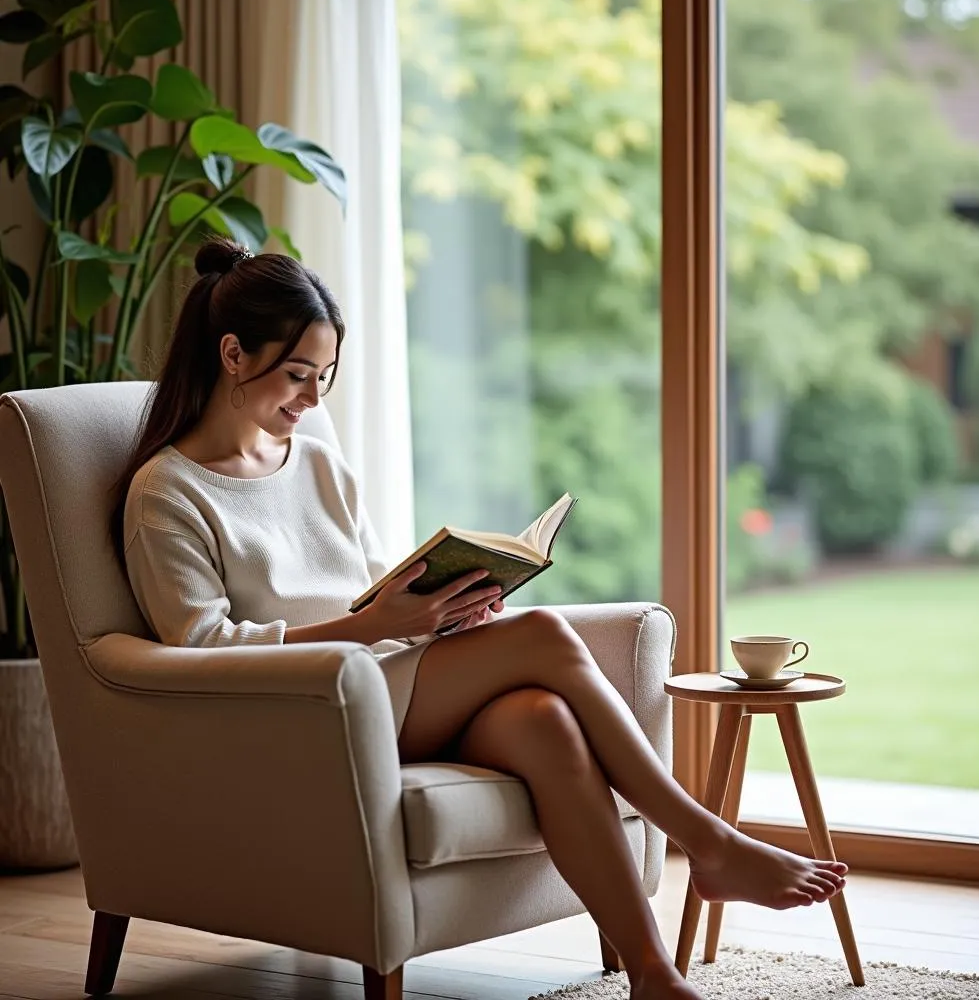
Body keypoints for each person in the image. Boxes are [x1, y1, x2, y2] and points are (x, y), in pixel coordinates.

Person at [110, 238, 847, 1000]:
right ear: (232, 354)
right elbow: (199, 649)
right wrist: (370, 630)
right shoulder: (166, 493)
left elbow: (365, 592)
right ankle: (709, 839)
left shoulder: (318, 462)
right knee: (545, 637)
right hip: (299, 710)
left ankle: (652, 976)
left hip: (379, 684)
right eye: (298, 376)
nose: (314, 399)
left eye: (325, 377)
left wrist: (438, 611)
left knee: (543, 720)